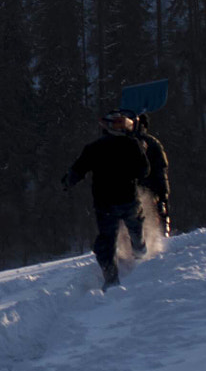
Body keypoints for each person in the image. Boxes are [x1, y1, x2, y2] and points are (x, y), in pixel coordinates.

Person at [62, 110, 151, 289]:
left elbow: (78, 169)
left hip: (106, 203)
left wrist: (68, 181)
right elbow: (144, 171)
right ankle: (141, 259)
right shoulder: (132, 144)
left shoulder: (95, 148)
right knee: (134, 230)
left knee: (107, 241)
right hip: (127, 199)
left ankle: (112, 279)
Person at [131, 112, 172, 235]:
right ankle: (155, 239)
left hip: (130, 190)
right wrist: (164, 194)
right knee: (151, 217)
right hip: (151, 189)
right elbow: (161, 169)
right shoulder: (153, 143)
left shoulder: (124, 143)